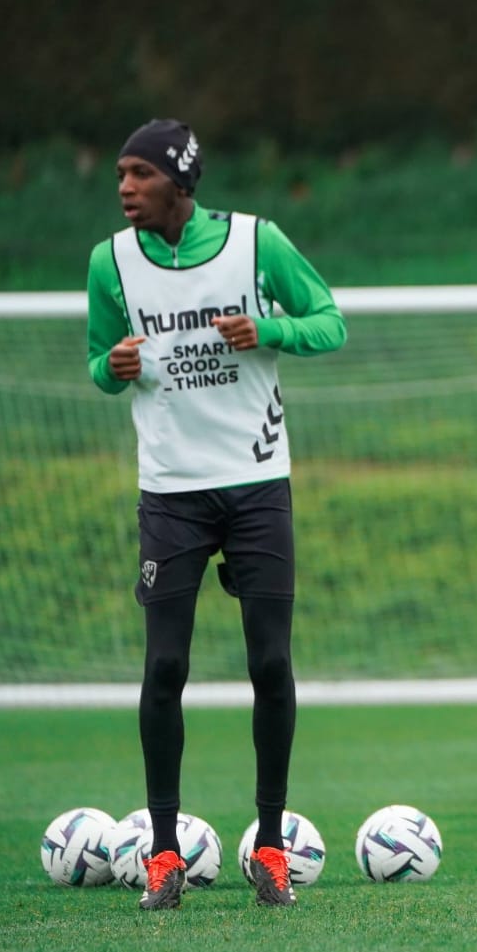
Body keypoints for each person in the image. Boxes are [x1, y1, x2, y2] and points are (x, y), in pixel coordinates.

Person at [85, 119, 347, 910]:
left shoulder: (256, 243)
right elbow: (100, 362)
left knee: (270, 665)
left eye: (138, 173)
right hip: (170, 492)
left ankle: (270, 844)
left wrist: (267, 328)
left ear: (179, 181)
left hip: (259, 483)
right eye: (122, 174)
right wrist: (112, 365)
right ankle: (162, 854)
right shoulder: (110, 263)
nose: (124, 187)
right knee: (165, 667)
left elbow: (330, 321)